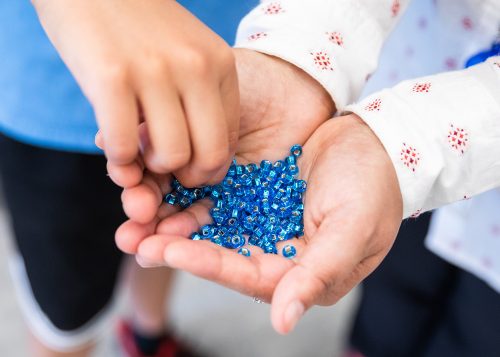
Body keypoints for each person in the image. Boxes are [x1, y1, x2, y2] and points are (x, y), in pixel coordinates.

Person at [115, 0, 500, 346]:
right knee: (388, 309)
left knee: (478, 333)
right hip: (399, 151)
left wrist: (399, 142)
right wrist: (295, 54)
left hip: (486, 234)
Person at [0, 1, 322, 356]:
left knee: (171, 219)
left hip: (214, 69)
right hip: (54, 99)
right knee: (66, 308)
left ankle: (148, 335)